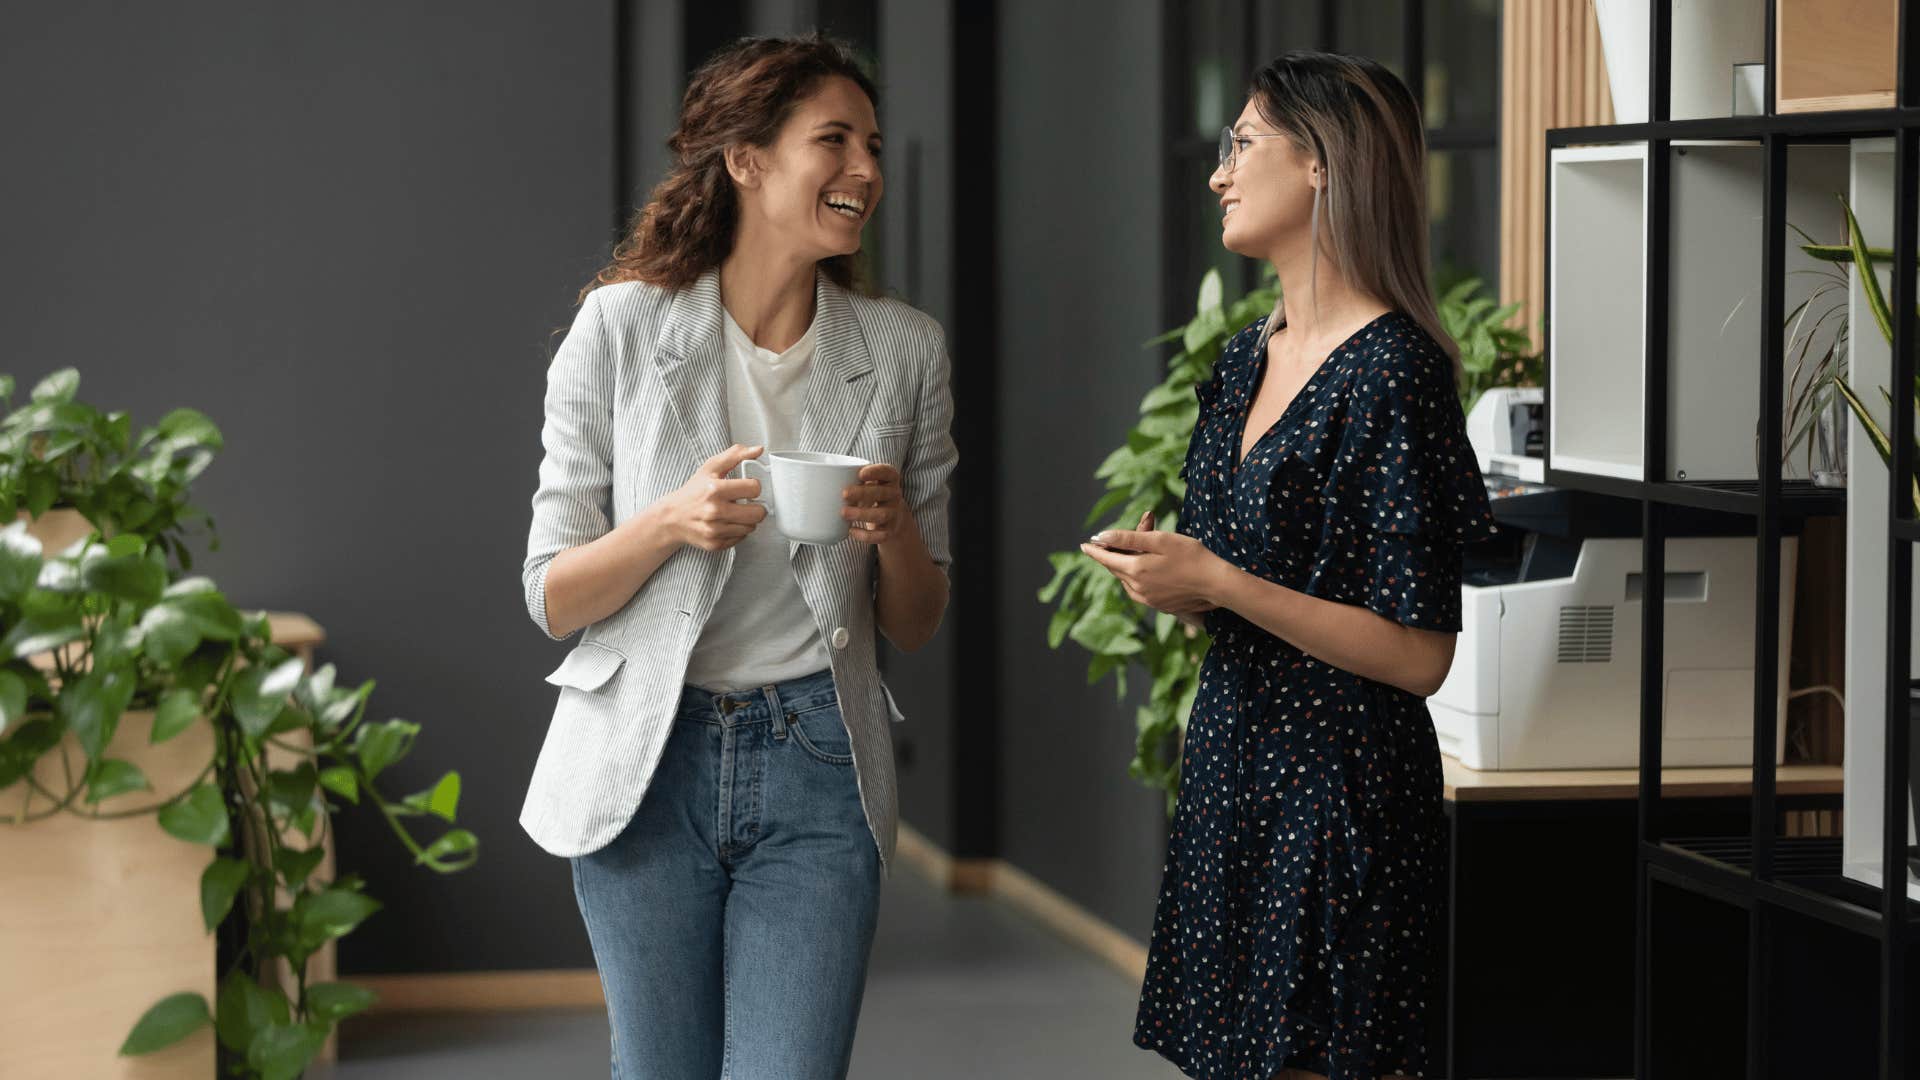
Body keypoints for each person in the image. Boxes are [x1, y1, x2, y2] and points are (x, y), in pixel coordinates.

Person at [516, 33, 956, 1080]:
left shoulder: (904, 350)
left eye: (874, 145)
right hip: (647, 761)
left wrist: (892, 528)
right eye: (833, 140)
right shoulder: (619, 328)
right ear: (747, 161)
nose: (865, 170)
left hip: (818, 759)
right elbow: (551, 594)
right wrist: (672, 521)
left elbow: (919, 619)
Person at [1082, 50, 1497, 1080]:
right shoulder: (1242, 360)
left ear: (1323, 165)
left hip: (1341, 795)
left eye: (1245, 143)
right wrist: (1171, 581)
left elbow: (1417, 656)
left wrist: (1218, 582)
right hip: (1234, 773)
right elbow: (1237, 597)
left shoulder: (1395, 373)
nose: (1221, 172)